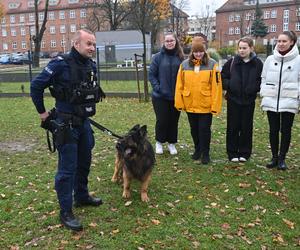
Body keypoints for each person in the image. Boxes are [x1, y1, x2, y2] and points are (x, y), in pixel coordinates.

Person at [30, 29, 104, 231]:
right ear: (76, 44)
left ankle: (81, 195)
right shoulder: (60, 64)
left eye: (94, 44)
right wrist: (43, 114)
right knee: (67, 168)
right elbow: (36, 86)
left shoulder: (90, 65)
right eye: (88, 44)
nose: (92, 48)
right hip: (66, 124)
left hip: (84, 123)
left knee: (85, 161)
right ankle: (66, 211)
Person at [175, 37, 222, 164]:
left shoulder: (212, 64)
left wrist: (215, 105)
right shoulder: (184, 65)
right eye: (196, 52)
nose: (198, 54)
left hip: (205, 105)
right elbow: (179, 84)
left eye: (201, 51)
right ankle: (198, 150)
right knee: (194, 129)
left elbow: (216, 86)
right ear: (192, 52)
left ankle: (205, 153)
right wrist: (179, 102)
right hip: (190, 104)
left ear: (204, 51)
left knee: (204, 129)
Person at [260, 31, 300, 170]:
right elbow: (264, 78)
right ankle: (274, 157)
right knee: (273, 130)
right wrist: (264, 93)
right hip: (271, 99)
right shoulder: (270, 59)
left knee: (286, 130)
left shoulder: (298, 60)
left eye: (284, 41)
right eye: (279, 41)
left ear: (292, 43)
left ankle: (282, 158)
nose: (281, 44)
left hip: (289, 99)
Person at [221, 37, 263, 162]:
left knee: (246, 127)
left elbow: (261, 79)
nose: (242, 50)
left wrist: (254, 88)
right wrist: (230, 85)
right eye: (240, 48)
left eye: (245, 48)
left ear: (251, 48)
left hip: (249, 100)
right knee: (233, 126)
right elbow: (223, 77)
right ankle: (232, 152)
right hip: (233, 100)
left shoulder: (258, 63)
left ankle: (244, 152)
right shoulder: (231, 62)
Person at [149, 32, 184, 155]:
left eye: (171, 41)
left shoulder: (180, 57)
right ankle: (159, 142)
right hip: (160, 96)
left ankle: (171, 143)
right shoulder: (157, 57)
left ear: (175, 42)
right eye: (167, 41)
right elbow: (152, 75)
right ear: (164, 43)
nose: (169, 43)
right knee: (162, 120)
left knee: (173, 120)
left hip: (176, 96)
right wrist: (158, 88)